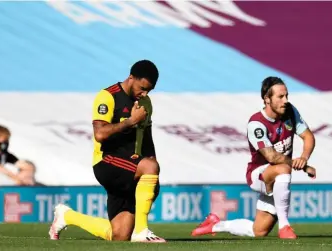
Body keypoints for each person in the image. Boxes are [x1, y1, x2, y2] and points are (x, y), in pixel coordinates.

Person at [49, 60, 165, 243]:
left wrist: (154, 170)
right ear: (131, 78)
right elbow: (100, 134)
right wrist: (130, 121)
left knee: (120, 236)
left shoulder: (145, 103)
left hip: (130, 168)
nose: (144, 93)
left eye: (149, 90)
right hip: (107, 162)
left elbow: (147, 138)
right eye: (142, 88)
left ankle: (67, 216)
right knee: (149, 167)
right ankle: (142, 231)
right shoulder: (107, 97)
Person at [191, 77, 317, 239]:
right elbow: (271, 156)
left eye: (286, 96)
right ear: (267, 99)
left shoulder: (290, 112)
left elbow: (308, 137)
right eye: (280, 97)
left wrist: (304, 158)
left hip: (278, 178)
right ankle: (285, 227)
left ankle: (215, 224)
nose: (285, 100)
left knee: (258, 231)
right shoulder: (256, 123)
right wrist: (301, 166)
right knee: (283, 167)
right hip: (258, 175)